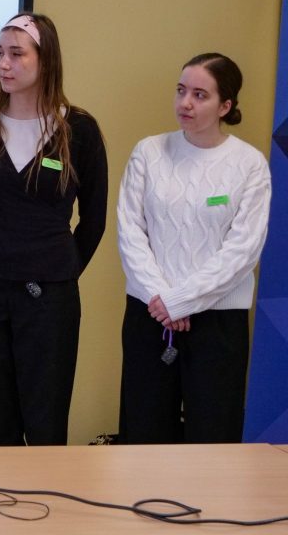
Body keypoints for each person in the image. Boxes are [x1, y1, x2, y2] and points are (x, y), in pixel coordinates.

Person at [0, 12, 107, 446]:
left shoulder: (78, 130)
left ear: (46, 60)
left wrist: (57, 269)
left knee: (45, 422)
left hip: (50, 297)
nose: (4, 64)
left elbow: (94, 219)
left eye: (17, 54)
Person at [117, 53, 271, 443]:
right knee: (144, 433)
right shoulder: (148, 152)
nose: (185, 103)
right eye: (181, 90)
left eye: (200, 95)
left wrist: (182, 300)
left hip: (218, 322)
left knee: (213, 437)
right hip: (150, 313)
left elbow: (243, 250)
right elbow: (130, 231)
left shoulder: (249, 164)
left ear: (225, 106)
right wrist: (163, 300)